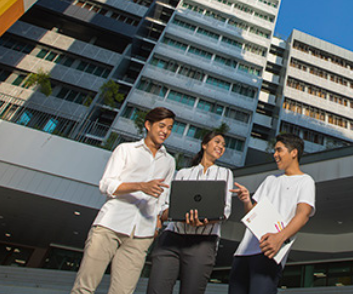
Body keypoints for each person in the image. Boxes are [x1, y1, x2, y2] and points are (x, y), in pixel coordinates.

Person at [71, 107, 177, 294]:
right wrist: (141, 186)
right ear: (148, 124)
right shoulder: (125, 150)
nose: (165, 132)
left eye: (169, 128)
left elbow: (163, 201)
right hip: (110, 226)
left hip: (141, 235)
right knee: (84, 288)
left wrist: (161, 221)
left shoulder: (169, 161)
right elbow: (106, 185)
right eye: (161, 126)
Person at [147, 131, 234, 294]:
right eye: (217, 142)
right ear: (204, 145)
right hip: (172, 238)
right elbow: (166, 207)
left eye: (223, 145)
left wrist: (204, 220)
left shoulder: (225, 173)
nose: (221, 147)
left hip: (202, 242)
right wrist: (170, 215)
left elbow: (225, 210)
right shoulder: (183, 173)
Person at [228, 133, 315, 294]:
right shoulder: (270, 180)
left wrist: (279, 238)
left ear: (294, 152)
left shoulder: (305, 181)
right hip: (243, 253)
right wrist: (247, 200)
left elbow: (303, 215)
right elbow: (253, 214)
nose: (275, 155)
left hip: (270, 252)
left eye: (279, 150)